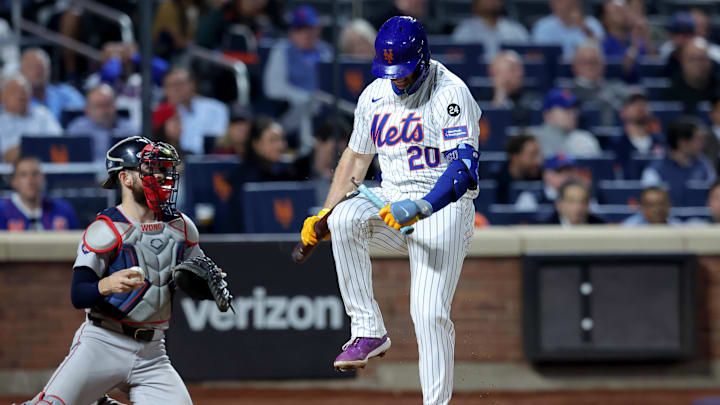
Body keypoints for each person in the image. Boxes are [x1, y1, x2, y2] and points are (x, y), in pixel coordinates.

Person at [299, 17, 482, 405]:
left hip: (441, 206)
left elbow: (464, 170)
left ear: (423, 58)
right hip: (389, 198)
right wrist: (325, 213)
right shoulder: (374, 94)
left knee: (429, 314)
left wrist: (420, 206)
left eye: (404, 71)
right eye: (390, 72)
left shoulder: (450, 93)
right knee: (345, 218)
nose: (397, 80)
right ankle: (367, 329)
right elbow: (355, 157)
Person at [16, 136, 210, 405]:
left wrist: (206, 285)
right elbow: (78, 295)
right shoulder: (106, 228)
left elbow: (195, 276)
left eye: (163, 168)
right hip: (102, 342)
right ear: (126, 179)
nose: (161, 176)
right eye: (150, 168)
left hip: (152, 352)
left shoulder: (182, 227)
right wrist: (106, 285)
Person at [263, 5, 333, 155]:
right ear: (291, 32)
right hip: (291, 113)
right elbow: (273, 87)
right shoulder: (282, 50)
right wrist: (305, 97)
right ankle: (306, 152)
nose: (306, 34)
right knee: (307, 105)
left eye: (310, 28)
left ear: (318, 29)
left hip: (326, 108)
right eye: (300, 29)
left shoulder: (326, 52)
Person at [642, 117, 716, 205]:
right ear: (682, 143)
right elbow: (651, 206)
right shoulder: (654, 171)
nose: (702, 143)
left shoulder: (705, 164)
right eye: (698, 139)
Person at [163, 67, 229, 155]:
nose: (177, 89)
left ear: (193, 84)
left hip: (208, 159)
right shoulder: (160, 113)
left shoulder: (215, 108)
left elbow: (218, 142)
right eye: (171, 85)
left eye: (180, 84)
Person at [0, 156, 78, 231]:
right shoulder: (2, 211)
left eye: (35, 174)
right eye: (23, 175)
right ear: (14, 181)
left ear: (43, 178)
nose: (30, 180)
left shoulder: (63, 210)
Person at [67, 84, 138, 162]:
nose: (104, 111)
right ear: (87, 109)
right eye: (98, 106)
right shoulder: (76, 129)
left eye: (108, 105)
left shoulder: (130, 131)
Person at [0, 75, 62, 163]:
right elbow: (8, 157)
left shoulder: (43, 114)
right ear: (2, 97)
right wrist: (38, 146)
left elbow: (59, 143)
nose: (20, 95)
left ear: (30, 95)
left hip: (45, 168)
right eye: (14, 91)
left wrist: (26, 148)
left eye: (24, 91)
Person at [567, 42, 629, 127]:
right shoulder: (567, 94)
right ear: (574, 67)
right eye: (584, 62)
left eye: (594, 61)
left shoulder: (618, 88)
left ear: (603, 64)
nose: (590, 66)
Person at [529, 88, 602, 158]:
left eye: (574, 109)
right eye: (566, 109)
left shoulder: (586, 140)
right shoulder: (532, 139)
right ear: (547, 114)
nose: (573, 114)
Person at [610, 91, 665, 179]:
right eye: (633, 103)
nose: (640, 106)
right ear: (622, 112)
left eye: (644, 103)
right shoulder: (614, 143)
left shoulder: (661, 142)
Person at [20, 48, 85, 121]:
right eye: (31, 68)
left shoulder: (65, 92)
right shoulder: (16, 99)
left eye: (41, 67)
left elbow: (86, 111)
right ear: (21, 71)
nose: (37, 72)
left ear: (49, 70)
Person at [452, 0, 529, 59]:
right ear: (476, 3)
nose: (491, 1)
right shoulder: (464, 30)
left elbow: (529, 58)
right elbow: (455, 59)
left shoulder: (516, 30)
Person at [663, 37, 720, 114]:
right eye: (692, 59)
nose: (698, 64)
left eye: (702, 58)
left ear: (710, 62)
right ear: (682, 61)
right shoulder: (670, 93)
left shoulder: (717, 89)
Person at [599, 0, 652, 82]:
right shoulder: (604, 45)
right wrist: (634, 45)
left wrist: (646, 35)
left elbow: (654, 66)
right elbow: (623, 70)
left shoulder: (635, 39)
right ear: (605, 18)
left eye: (624, 10)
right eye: (617, 11)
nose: (622, 13)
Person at [531, 0, 605, 58]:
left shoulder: (592, 23)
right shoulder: (542, 26)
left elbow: (600, 51)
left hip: (584, 72)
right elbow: (539, 55)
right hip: (553, 71)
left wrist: (583, 26)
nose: (566, 4)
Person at [488, 50, 542, 127]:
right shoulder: (480, 97)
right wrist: (500, 94)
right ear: (495, 74)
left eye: (520, 69)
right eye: (513, 69)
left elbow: (519, 120)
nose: (520, 73)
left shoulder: (532, 96)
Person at [490, 134, 543, 204]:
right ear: (515, 157)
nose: (538, 161)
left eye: (538, 155)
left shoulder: (542, 178)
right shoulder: (496, 183)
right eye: (532, 155)